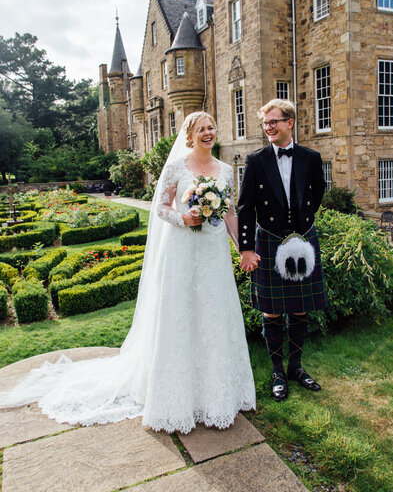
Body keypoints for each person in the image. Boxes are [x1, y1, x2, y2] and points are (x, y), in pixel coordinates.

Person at [0, 111, 255, 433]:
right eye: (200, 129)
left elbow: (230, 210)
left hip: (213, 255)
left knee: (214, 316)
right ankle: (176, 398)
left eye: (211, 128)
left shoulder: (227, 170)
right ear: (189, 136)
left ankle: (217, 396)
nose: (207, 133)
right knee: (180, 315)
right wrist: (183, 218)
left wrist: (243, 248)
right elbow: (161, 208)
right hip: (182, 251)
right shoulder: (176, 167)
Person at [238, 99, 327, 402]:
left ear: (290, 122)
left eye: (274, 122)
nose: (269, 128)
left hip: (302, 239)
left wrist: (303, 223)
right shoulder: (255, 160)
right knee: (272, 308)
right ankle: (277, 370)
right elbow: (245, 208)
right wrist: (246, 248)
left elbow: (318, 192)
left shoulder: (310, 157)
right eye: (265, 123)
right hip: (270, 239)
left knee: (300, 307)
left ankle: (297, 367)